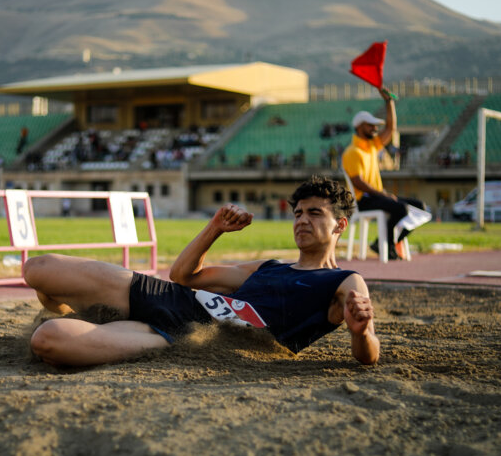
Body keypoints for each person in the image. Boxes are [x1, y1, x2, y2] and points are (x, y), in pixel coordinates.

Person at [26, 176, 380, 367]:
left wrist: (361, 334)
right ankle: (79, 307)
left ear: (340, 225)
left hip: (186, 337)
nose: (302, 220)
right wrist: (215, 228)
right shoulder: (269, 267)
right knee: (37, 268)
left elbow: (368, 356)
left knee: (47, 339)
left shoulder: (344, 281)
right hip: (174, 299)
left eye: (315, 213)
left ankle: (84, 315)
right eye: (298, 213)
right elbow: (183, 277)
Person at [342, 88, 428, 260]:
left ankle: (384, 242)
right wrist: (383, 194)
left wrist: (389, 102)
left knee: (420, 207)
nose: (375, 128)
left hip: (377, 196)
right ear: (359, 127)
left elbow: (391, 128)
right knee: (401, 208)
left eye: (375, 125)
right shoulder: (352, 152)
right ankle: (386, 245)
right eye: (371, 125)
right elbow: (357, 181)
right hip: (362, 200)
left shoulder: (372, 146)